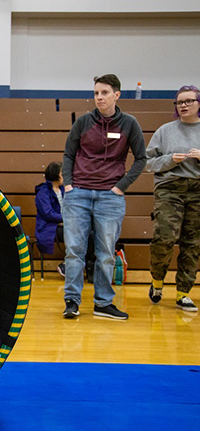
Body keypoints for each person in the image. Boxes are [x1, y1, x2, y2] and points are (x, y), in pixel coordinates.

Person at [61, 74, 147, 320]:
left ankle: (103, 303)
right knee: (74, 250)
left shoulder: (129, 123)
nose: (99, 97)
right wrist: (68, 185)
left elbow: (141, 158)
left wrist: (121, 186)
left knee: (106, 252)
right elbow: (68, 154)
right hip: (78, 195)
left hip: (110, 196)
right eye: (96, 92)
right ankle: (72, 301)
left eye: (104, 92)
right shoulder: (83, 122)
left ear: (117, 95)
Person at [145, 85, 200, 312]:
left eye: (188, 101)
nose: (183, 105)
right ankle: (157, 281)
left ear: (199, 103)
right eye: (179, 102)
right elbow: (148, 162)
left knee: (192, 243)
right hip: (170, 189)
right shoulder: (165, 131)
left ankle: (183, 293)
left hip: (198, 190)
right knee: (164, 238)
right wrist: (169, 160)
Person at [34, 162, 96, 279]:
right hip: (51, 228)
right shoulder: (43, 193)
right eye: (63, 173)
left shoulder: (65, 189)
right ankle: (69, 264)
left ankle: (84, 267)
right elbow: (48, 214)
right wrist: (68, 218)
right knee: (77, 233)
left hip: (66, 224)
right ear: (55, 174)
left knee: (90, 234)